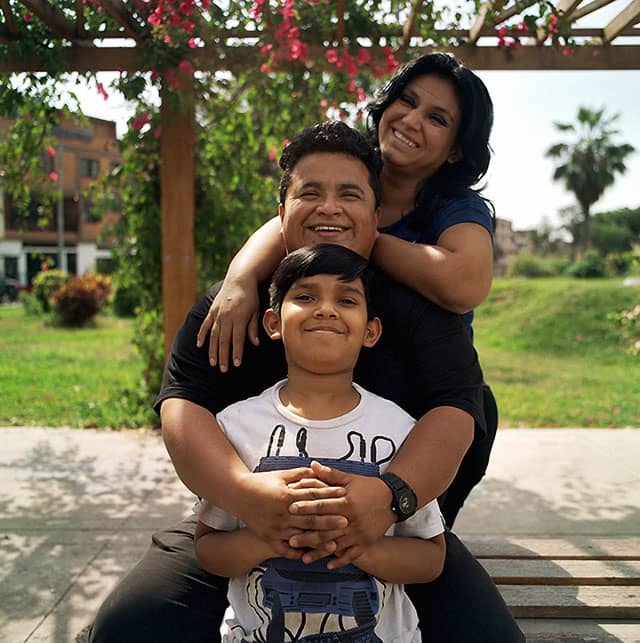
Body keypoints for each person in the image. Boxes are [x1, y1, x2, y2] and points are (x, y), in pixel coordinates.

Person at [89, 121, 523, 642]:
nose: (329, 208)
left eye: (350, 194)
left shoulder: (420, 309)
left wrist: (389, 499)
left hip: (387, 529)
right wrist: (245, 496)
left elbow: (456, 411)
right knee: (127, 628)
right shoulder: (232, 306)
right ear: (281, 215)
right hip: (243, 525)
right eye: (310, 193)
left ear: (376, 216)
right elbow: (183, 406)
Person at [196, 52, 497, 527]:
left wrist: (360, 237)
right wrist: (239, 279)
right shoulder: (350, 169)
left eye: (437, 118)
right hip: (329, 374)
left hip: (420, 387)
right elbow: (285, 223)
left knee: (417, 524)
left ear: (457, 150)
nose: (411, 120)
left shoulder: (455, 208)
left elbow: (465, 281)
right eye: (407, 100)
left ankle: (420, 532)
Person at [194, 243, 446, 641]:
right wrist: (268, 538)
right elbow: (208, 549)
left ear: (370, 331)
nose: (326, 309)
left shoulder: (401, 430)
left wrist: (357, 546)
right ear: (273, 323)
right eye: (306, 297)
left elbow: (430, 557)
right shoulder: (236, 427)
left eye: (346, 300)